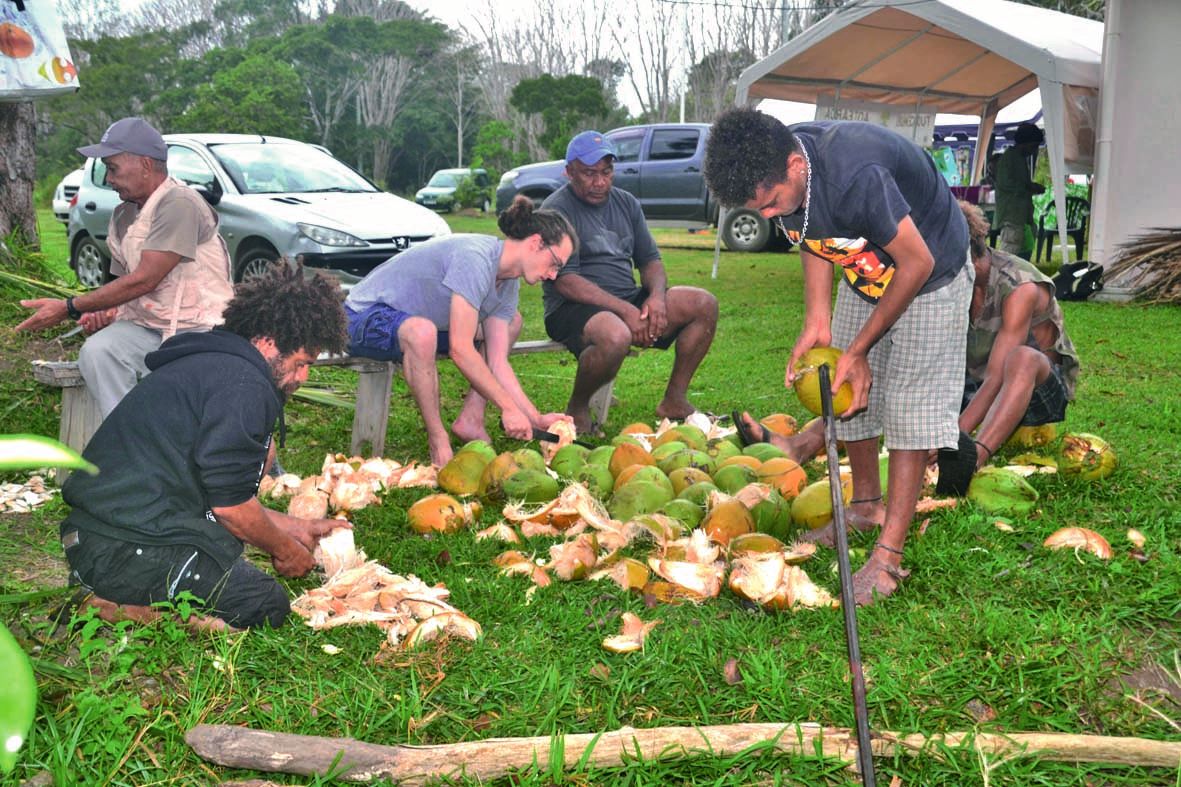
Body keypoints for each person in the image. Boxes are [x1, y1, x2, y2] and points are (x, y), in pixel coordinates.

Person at [704, 109, 973, 606]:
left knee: (909, 406)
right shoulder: (786, 176)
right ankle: (866, 504)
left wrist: (860, 348)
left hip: (931, 270)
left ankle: (889, 553)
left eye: (769, 204)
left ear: (794, 165)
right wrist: (817, 320)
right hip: (868, 266)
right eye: (757, 210)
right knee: (838, 384)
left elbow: (917, 263)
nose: (767, 217)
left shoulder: (854, 173)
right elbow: (810, 229)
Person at [58, 263, 349, 631]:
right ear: (269, 341)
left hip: (99, 537)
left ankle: (116, 588)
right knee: (264, 606)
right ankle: (114, 606)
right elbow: (230, 509)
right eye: (302, 363)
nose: (303, 376)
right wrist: (285, 550)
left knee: (235, 568)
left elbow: (213, 496)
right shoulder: (243, 385)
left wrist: (295, 528)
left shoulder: (215, 366)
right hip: (123, 548)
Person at [17, 116, 234, 418]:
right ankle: (129, 441)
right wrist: (105, 310)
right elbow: (125, 287)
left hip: (200, 329)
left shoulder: (179, 203)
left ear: (146, 165)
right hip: (149, 327)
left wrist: (69, 307)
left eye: (113, 168)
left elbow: (146, 280)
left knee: (189, 396)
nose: (108, 179)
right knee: (99, 352)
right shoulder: (123, 215)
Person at [345, 196, 575, 467]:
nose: (553, 275)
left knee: (512, 321)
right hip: (362, 316)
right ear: (536, 243)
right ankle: (438, 440)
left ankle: (471, 420)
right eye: (555, 263)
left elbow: (498, 362)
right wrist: (508, 408)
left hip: (422, 322)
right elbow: (460, 349)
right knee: (423, 333)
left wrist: (534, 418)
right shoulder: (475, 258)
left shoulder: (508, 283)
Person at [541, 130, 719, 435]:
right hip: (571, 307)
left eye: (607, 172)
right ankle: (577, 406)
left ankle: (674, 400)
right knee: (616, 335)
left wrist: (656, 298)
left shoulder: (626, 203)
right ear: (569, 172)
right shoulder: (557, 209)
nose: (600, 182)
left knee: (703, 303)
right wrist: (626, 311)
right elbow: (566, 282)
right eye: (589, 174)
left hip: (626, 301)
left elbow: (650, 260)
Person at [934, 201, 1080, 494]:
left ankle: (974, 458)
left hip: (1036, 396)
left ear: (970, 258)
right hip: (977, 391)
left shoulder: (1019, 285)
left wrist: (955, 441)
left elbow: (996, 377)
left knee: (1022, 358)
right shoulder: (952, 284)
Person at [994, 123, 1045, 260]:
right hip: (1011, 217)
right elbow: (1006, 184)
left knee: (1022, 258)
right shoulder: (1009, 158)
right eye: (1033, 146)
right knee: (1007, 260)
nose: (1033, 150)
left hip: (1022, 217)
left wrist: (1031, 186)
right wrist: (1029, 188)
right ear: (1024, 143)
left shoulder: (1019, 159)